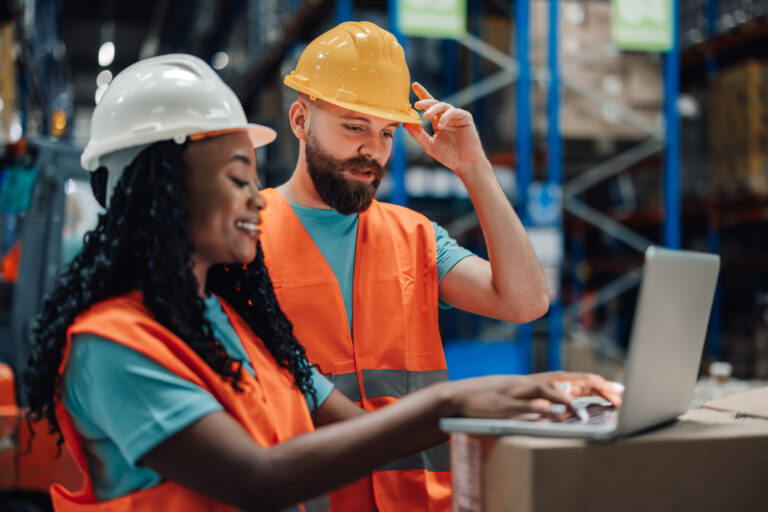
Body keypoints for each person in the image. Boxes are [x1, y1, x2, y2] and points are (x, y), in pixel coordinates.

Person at [22, 55, 619, 512]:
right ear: (162, 189)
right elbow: (257, 479)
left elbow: (366, 426)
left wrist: (531, 400)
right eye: (237, 178)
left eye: (387, 132)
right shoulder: (113, 344)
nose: (257, 198)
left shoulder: (240, 324)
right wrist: (455, 401)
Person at [260, 21, 551, 511]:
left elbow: (525, 301)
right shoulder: (246, 238)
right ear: (299, 120)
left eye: (388, 133)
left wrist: (473, 168)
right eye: (354, 127)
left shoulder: (415, 235)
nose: (372, 150)